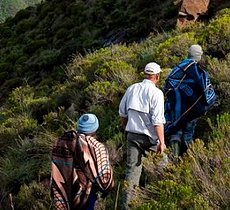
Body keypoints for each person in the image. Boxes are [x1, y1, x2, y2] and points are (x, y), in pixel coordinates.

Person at [118, 62, 166, 209]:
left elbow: (122, 112)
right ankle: (163, 199)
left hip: (132, 136)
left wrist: (126, 129)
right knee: (165, 168)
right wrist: (161, 142)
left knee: (132, 172)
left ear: (145, 74)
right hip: (150, 139)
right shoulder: (156, 93)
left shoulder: (131, 89)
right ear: (157, 76)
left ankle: (127, 206)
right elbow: (157, 121)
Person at [50, 113, 114, 210]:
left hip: (67, 192)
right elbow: (104, 179)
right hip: (87, 194)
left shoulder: (64, 142)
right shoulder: (97, 147)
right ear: (95, 129)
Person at [164, 44, 217, 156]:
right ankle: (186, 158)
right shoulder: (196, 71)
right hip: (192, 108)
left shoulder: (178, 68)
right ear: (199, 56)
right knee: (188, 132)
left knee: (176, 130)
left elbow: (169, 85)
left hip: (176, 106)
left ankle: (174, 159)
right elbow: (204, 89)